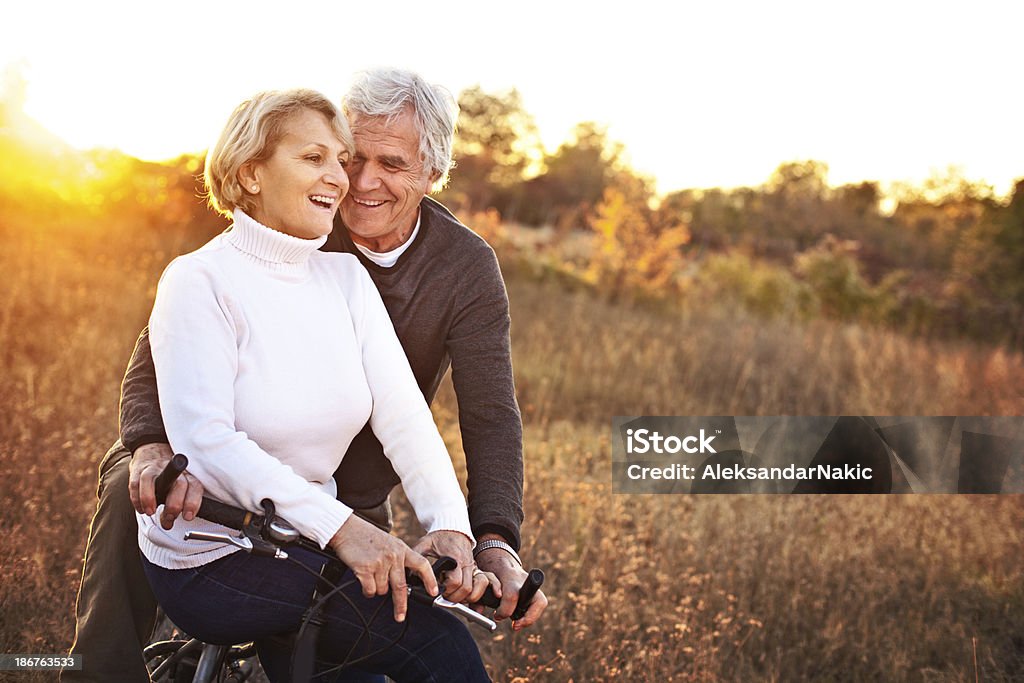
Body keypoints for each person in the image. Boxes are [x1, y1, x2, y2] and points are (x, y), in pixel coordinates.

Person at [65, 69, 547, 683]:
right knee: (137, 489)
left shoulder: (455, 267)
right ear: (255, 172)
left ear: (433, 173)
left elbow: (478, 414)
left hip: (342, 491)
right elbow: (162, 357)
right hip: (217, 483)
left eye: (390, 164)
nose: (358, 182)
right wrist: (153, 443)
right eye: (348, 157)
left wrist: (482, 536)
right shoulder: (293, 223)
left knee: (369, 650)